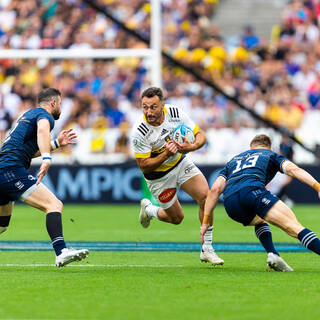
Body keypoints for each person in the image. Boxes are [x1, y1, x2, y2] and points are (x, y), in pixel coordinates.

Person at [131, 87, 223, 265]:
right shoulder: (140, 131)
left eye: (153, 107)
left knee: (206, 196)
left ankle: (207, 248)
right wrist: (166, 154)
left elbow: (200, 135)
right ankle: (149, 210)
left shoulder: (175, 112)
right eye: (145, 107)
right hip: (158, 177)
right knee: (176, 218)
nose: (149, 112)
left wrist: (193, 147)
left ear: (162, 106)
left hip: (181, 163)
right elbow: (144, 166)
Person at [201, 134, 320, 271]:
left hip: (231, 203)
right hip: (253, 192)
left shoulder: (233, 161)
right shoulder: (270, 154)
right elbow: (294, 170)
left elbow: (215, 189)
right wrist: (317, 186)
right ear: (268, 147)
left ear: (251, 147)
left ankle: (273, 254)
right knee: (294, 227)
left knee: (260, 220)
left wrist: (205, 222)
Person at [0, 88, 89, 267]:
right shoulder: (44, 116)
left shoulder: (27, 116)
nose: (61, 108)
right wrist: (47, 158)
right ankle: (61, 251)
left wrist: (56, 144)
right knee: (54, 205)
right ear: (53, 103)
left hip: (3, 168)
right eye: (61, 104)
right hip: (11, 170)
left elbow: (28, 152)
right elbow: (42, 131)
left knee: (2, 226)